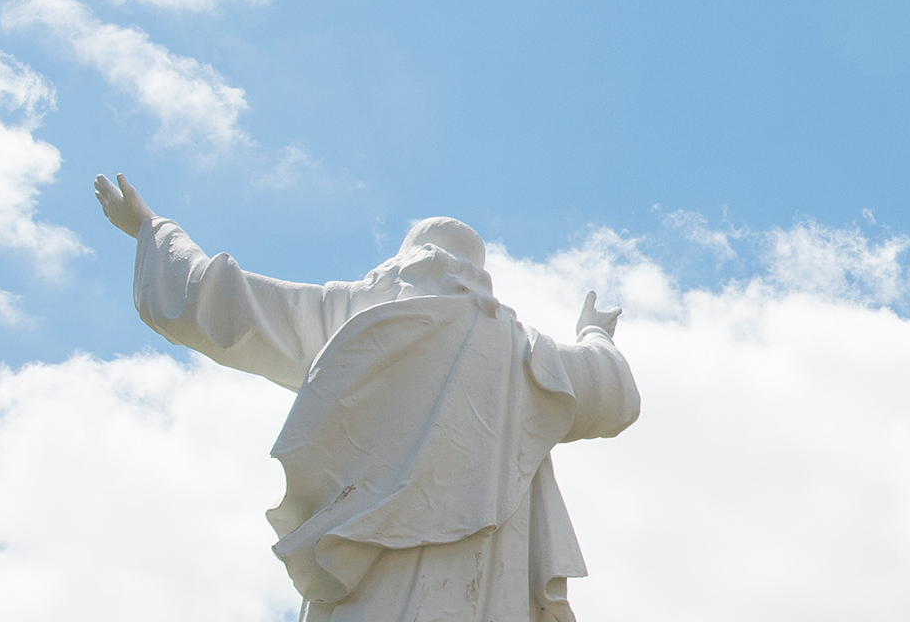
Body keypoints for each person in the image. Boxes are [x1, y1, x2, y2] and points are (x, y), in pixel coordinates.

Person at [93, 174, 639, 622]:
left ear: (408, 259)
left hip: (370, 574)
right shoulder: (526, 353)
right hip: (485, 586)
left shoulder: (364, 312)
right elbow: (611, 390)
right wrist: (594, 331)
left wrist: (151, 229)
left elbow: (223, 306)